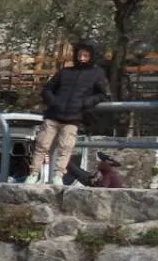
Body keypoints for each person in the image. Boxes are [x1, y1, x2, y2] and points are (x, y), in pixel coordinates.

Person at [26, 40, 109, 185]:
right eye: (80, 55)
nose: (82, 58)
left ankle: (58, 176)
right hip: (53, 115)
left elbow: (103, 94)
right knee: (42, 145)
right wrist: (53, 101)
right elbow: (47, 89)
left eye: (86, 56)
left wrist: (87, 102)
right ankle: (33, 174)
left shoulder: (97, 74)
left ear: (91, 57)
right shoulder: (64, 72)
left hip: (73, 117)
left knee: (66, 147)